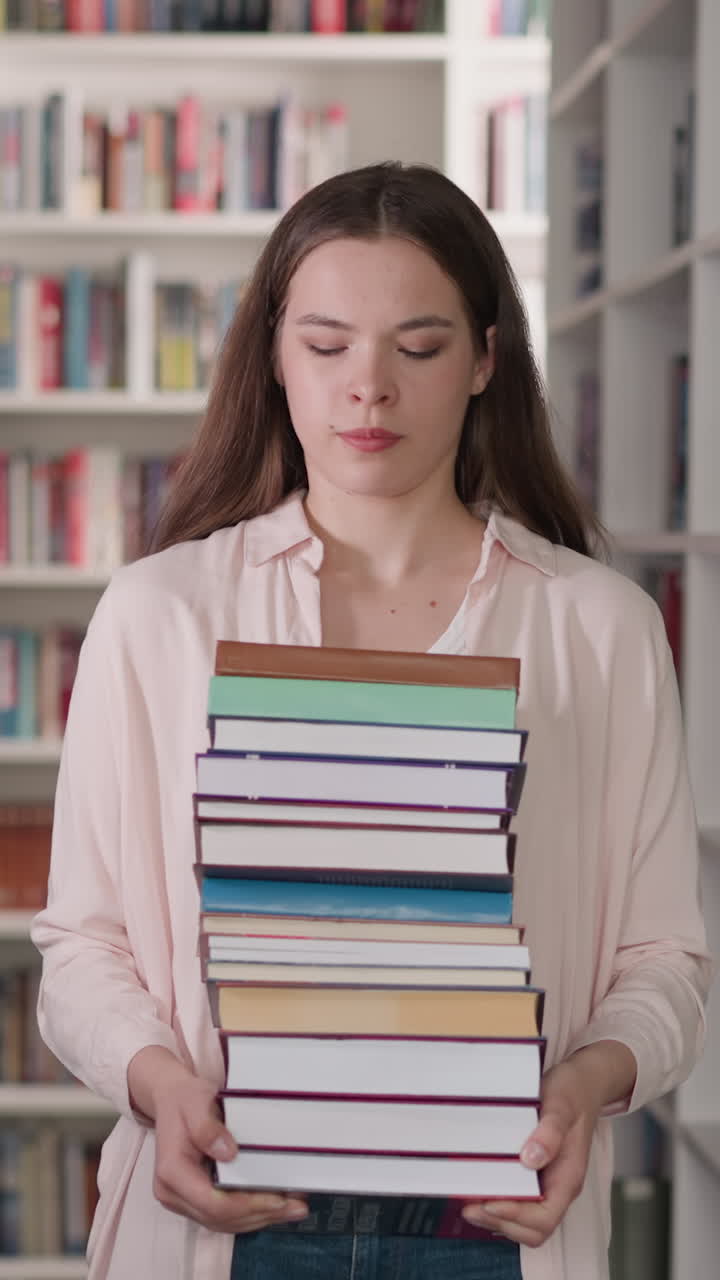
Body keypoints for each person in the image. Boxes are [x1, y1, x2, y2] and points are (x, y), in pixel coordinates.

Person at [31, 161, 711, 1280]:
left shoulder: (601, 628)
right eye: (328, 342)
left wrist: (586, 1084)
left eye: (421, 345)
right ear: (274, 359)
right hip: (228, 1212)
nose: (370, 389)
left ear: (489, 358)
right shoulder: (161, 613)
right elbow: (81, 947)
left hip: (490, 1226)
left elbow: (666, 958)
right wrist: (159, 1081)